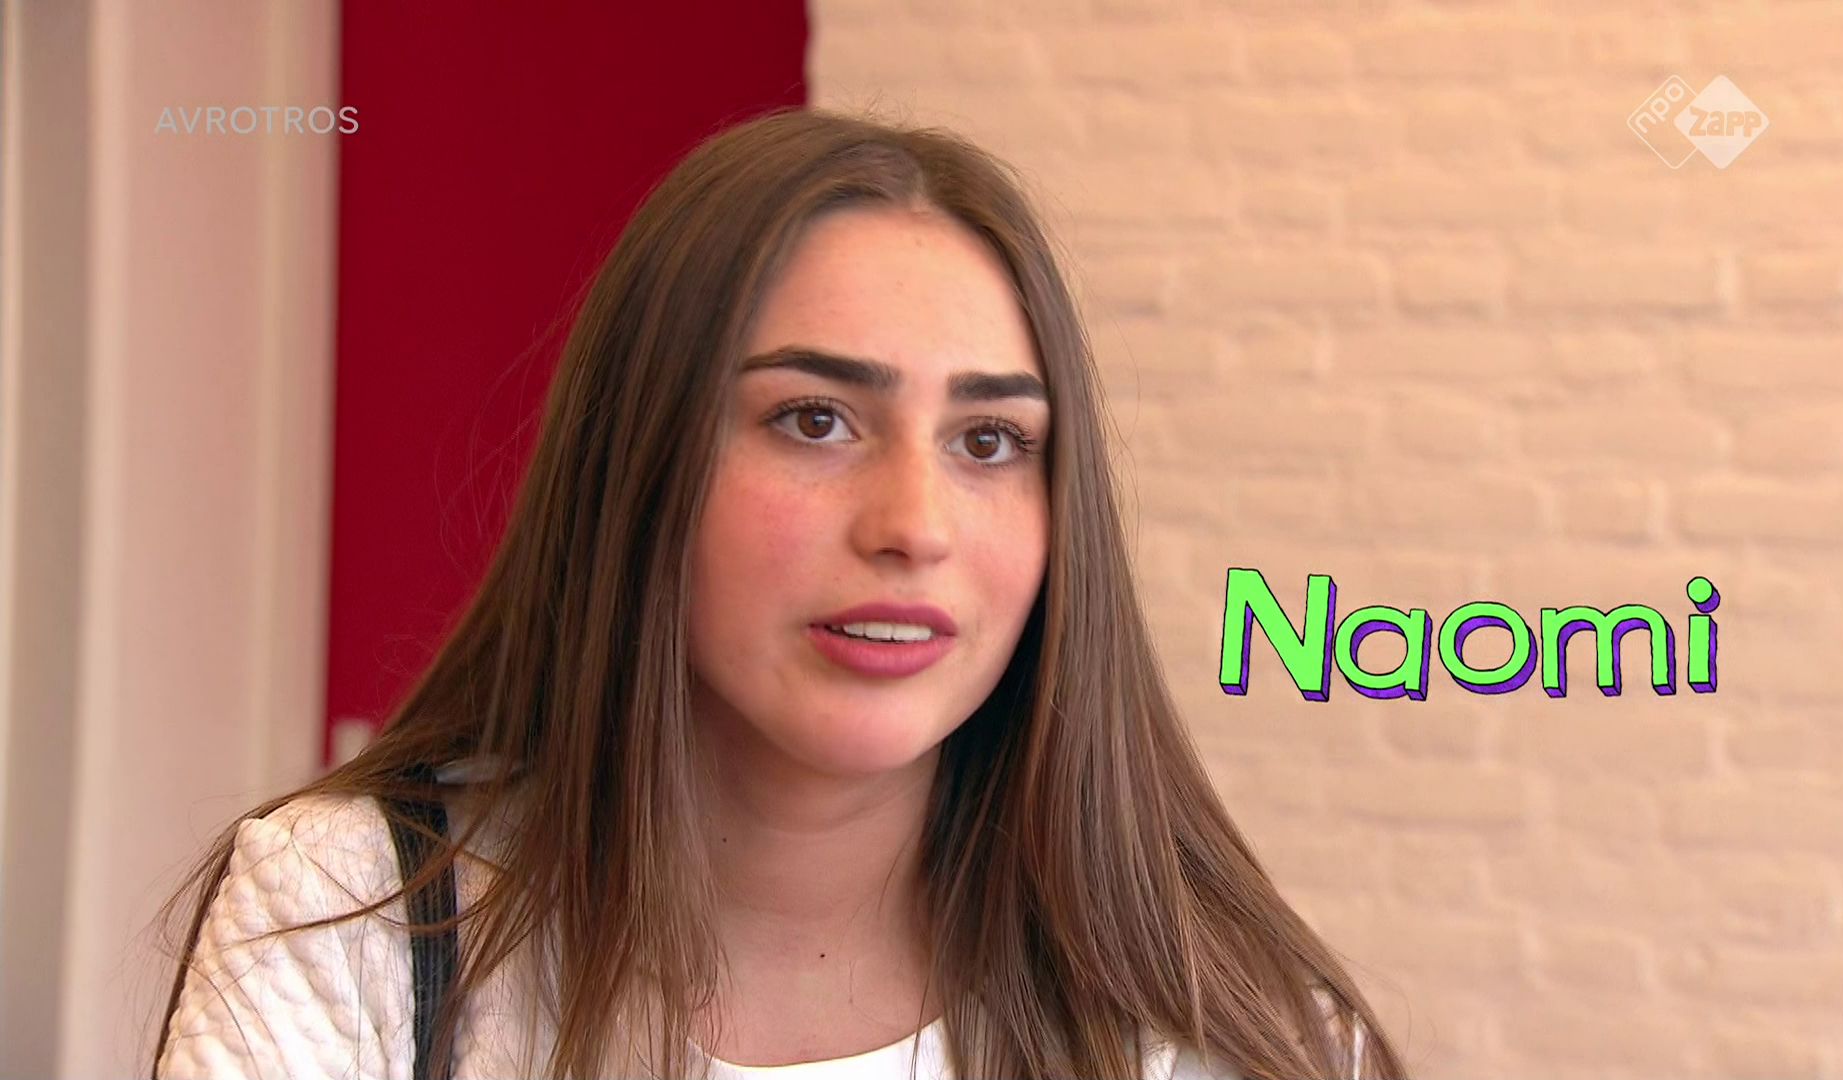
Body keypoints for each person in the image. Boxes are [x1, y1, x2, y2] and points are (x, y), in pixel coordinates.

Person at [149, 105, 1407, 1080]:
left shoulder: (1227, 1032)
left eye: (988, 441)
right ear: (642, 459)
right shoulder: (349, 914)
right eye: (814, 420)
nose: (914, 526)